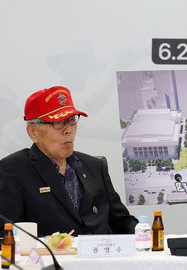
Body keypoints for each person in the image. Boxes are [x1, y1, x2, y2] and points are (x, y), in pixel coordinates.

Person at [0, 86, 138, 236]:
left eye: (71, 120)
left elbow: (122, 221)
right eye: (58, 123)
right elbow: (7, 233)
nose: (68, 130)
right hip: (53, 258)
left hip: (102, 256)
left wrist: (144, 234)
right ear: (33, 132)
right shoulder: (13, 170)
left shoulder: (95, 166)